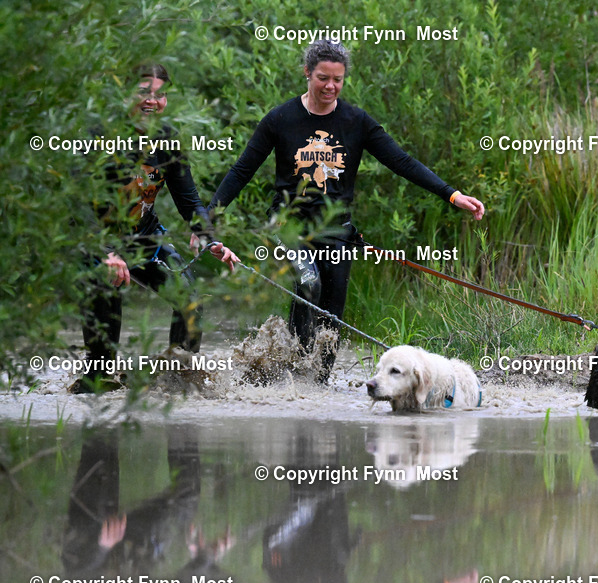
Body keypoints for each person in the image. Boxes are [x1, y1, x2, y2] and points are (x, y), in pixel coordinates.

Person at [208, 39, 485, 385]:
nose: (330, 86)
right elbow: (241, 170)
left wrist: (451, 194)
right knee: (309, 283)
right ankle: (293, 374)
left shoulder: (356, 121)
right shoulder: (280, 119)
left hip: (337, 230)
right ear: (307, 73)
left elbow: (400, 161)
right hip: (290, 226)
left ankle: (317, 384)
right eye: (323, 77)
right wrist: (207, 217)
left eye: (338, 79)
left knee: (332, 312)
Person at [72, 64, 239, 394]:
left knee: (190, 295)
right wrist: (106, 254)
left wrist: (211, 240)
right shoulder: (97, 134)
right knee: (106, 293)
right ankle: (97, 380)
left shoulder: (167, 140)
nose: (152, 101)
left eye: (159, 94)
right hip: (95, 240)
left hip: (144, 237)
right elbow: (76, 204)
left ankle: (179, 381)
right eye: (143, 92)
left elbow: (189, 200)